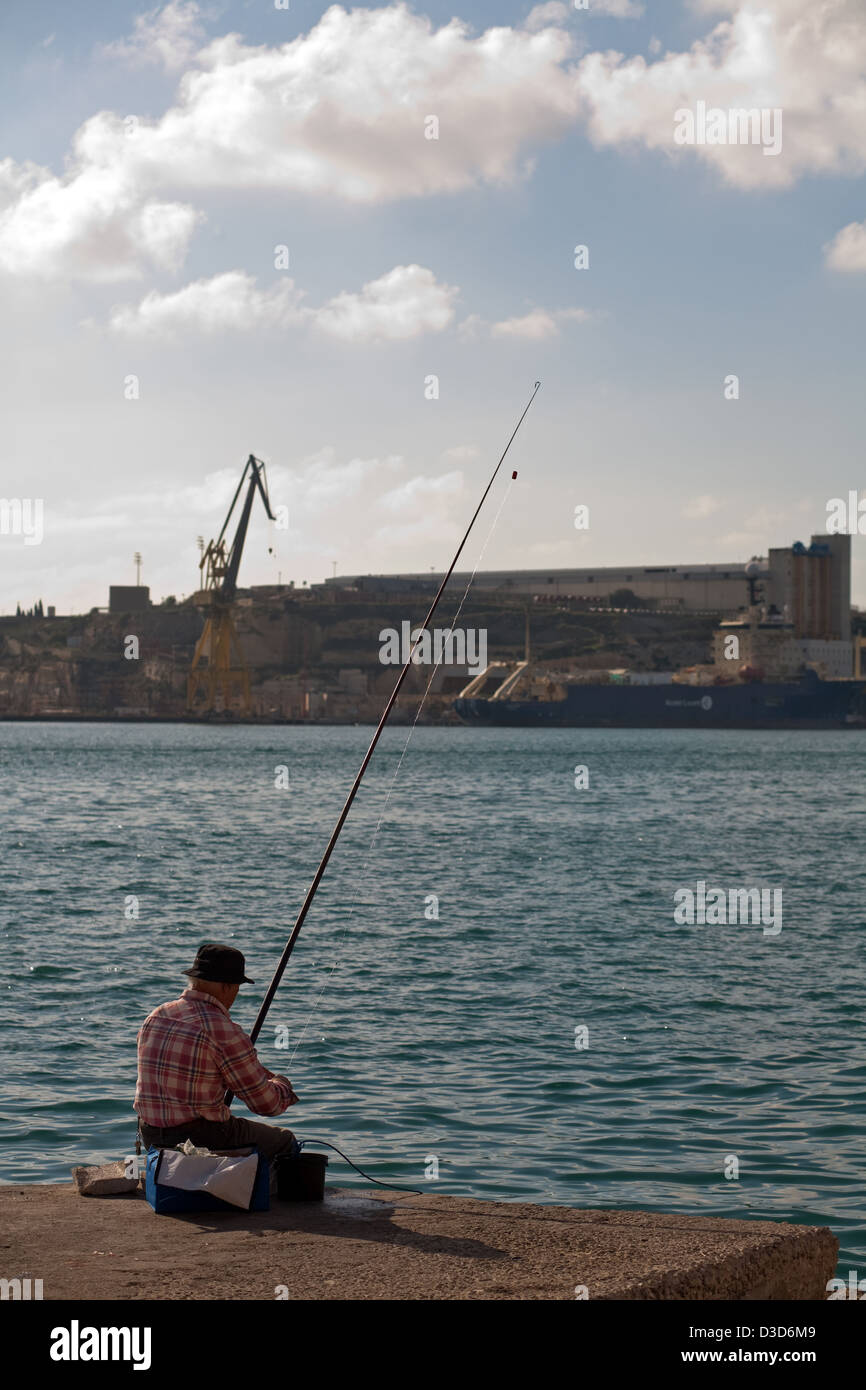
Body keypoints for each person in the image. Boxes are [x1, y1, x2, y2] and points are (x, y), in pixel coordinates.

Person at [135, 942, 300, 1164]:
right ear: (226, 986)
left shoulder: (156, 1016)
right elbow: (266, 1105)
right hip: (200, 1138)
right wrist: (282, 1085)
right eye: (237, 987)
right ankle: (255, 1198)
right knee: (285, 1142)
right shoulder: (224, 1031)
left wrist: (254, 1072)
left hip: (151, 1134)